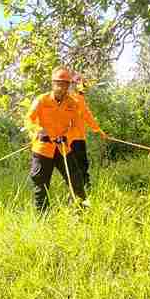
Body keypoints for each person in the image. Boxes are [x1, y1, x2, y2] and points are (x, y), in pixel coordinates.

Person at [26, 68, 87, 211]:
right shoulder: (42, 100)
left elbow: (76, 126)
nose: (61, 87)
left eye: (65, 84)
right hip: (43, 148)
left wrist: (67, 137)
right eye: (58, 84)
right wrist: (38, 131)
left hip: (63, 148)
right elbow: (29, 119)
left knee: (76, 181)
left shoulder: (72, 103)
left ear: (68, 85)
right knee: (41, 184)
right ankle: (42, 217)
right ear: (53, 84)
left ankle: (80, 211)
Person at [68, 73, 107, 188]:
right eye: (82, 85)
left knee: (82, 164)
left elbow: (87, 115)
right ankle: (80, 188)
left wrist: (98, 130)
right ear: (75, 85)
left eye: (85, 86)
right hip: (70, 139)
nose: (84, 89)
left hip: (78, 137)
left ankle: (84, 186)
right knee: (77, 165)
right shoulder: (71, 98)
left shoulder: (79, 99)